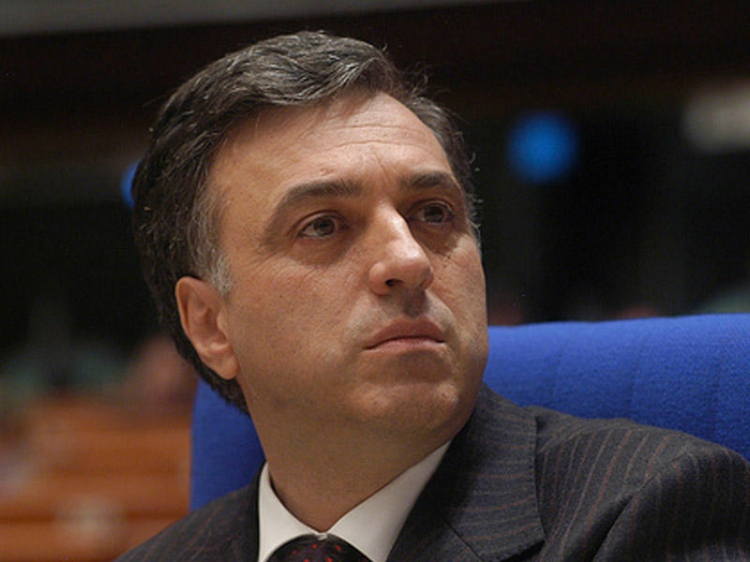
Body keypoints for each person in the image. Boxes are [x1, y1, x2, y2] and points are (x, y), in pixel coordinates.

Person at [118, 31, 750, 561]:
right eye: (324, 225)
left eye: (433, 213)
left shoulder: (644, 510)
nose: (409, 260)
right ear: (212, 326)